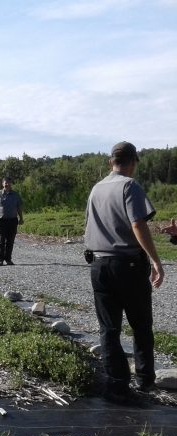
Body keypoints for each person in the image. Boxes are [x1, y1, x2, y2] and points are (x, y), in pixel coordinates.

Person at [84, 141, 164, 401]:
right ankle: (144, 381)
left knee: (109, 328)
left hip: (98, 264)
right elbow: (138, 224)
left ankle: (117, 383)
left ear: (111, 162)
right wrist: (155, 260)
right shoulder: (130, 186)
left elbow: (90, 224)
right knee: (140, 325)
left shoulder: (96, 189)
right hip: (127, 264)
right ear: (134, 162)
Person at [0, 177, 24, 266]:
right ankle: (0, 260)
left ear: (11, 184)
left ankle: (8, 259)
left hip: (13, 220)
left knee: (10, 241)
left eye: (9, 183)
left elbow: (19, 207)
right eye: (5, 183)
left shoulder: (16, 195)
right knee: (1, 241)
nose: (7, 184)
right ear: (2, 184)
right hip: (1, 221)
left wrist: (21, 218)